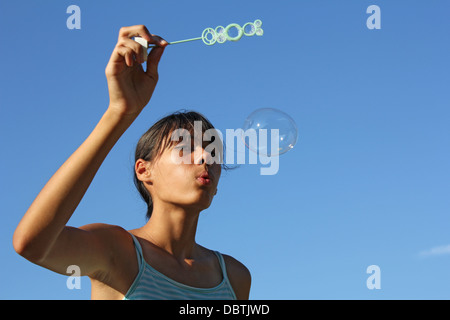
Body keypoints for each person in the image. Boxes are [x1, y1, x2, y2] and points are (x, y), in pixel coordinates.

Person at [13, 25, 251, 300]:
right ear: (144, 170)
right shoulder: (117, 251)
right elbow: (31, 244)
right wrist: (119, 112)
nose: (204, 157)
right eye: (185, 147)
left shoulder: (234, 277)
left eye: (212, 151)